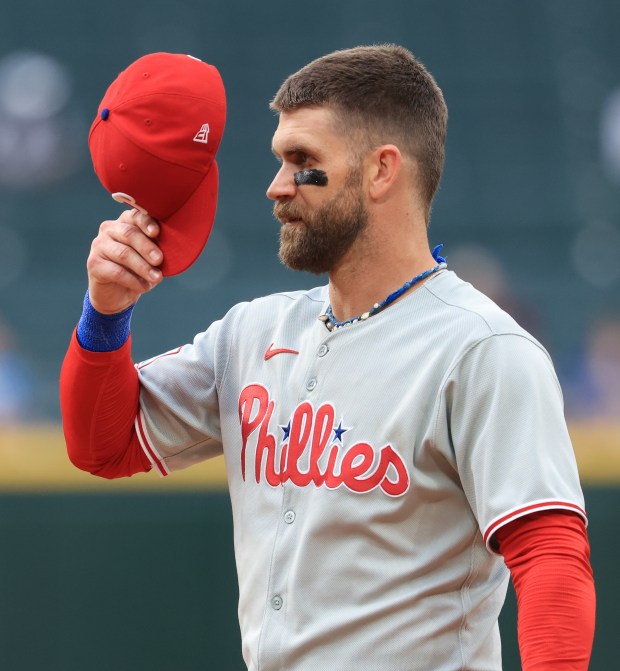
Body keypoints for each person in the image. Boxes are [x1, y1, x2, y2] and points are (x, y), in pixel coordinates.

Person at [60, 45, 595, 670]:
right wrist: (107, 310)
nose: (276, 186)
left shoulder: (481, 349)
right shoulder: (253, 332)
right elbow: (104, 443)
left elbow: (551, 557)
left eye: (302, 161)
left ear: (380, 171)